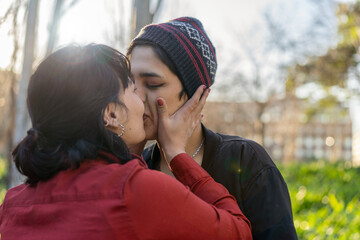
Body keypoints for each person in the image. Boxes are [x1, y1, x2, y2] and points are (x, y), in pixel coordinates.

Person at [0, 44, 252, 239]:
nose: (142, 99)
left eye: (151, 85)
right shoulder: (137, 191)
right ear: (111, 113)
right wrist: (177, 154)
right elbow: (239, 231)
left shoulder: (12, 203)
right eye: (133, 89)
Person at [127, 17, 298, 239]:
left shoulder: (247, 161)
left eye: (152, 84)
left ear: (196, 94)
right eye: (130, 84)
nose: (137, 97)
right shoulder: (136, 166)